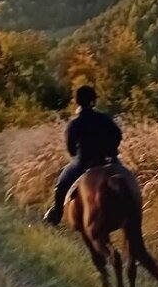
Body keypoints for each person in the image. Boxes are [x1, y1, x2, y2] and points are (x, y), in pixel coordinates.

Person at [43, 84, 123, 225]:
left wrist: (77, 153)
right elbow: (118, 135)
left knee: (61, 185)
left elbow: (71, 149)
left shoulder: (75, 123)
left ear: (78, 101)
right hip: (109, 161)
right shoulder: (104, 118)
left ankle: (56, 213)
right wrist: (110, 151)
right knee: (128, 178)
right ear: (94, 101)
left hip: (83, 162)